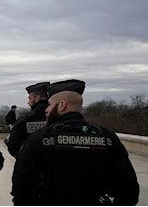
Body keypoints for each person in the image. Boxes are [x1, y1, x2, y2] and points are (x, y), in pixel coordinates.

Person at [11, 79, 140, 205]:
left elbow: (20, 188)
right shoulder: (107, 138)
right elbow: (129, 191)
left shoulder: (40, 138)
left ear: (62, 105)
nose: (46, 109)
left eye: (50, 105)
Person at [7, 82, 49, 158]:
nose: (28, 102)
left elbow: (13, 147)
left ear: (38, 98)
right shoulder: (59, 118)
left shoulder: (25, 120)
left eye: (30, 99)